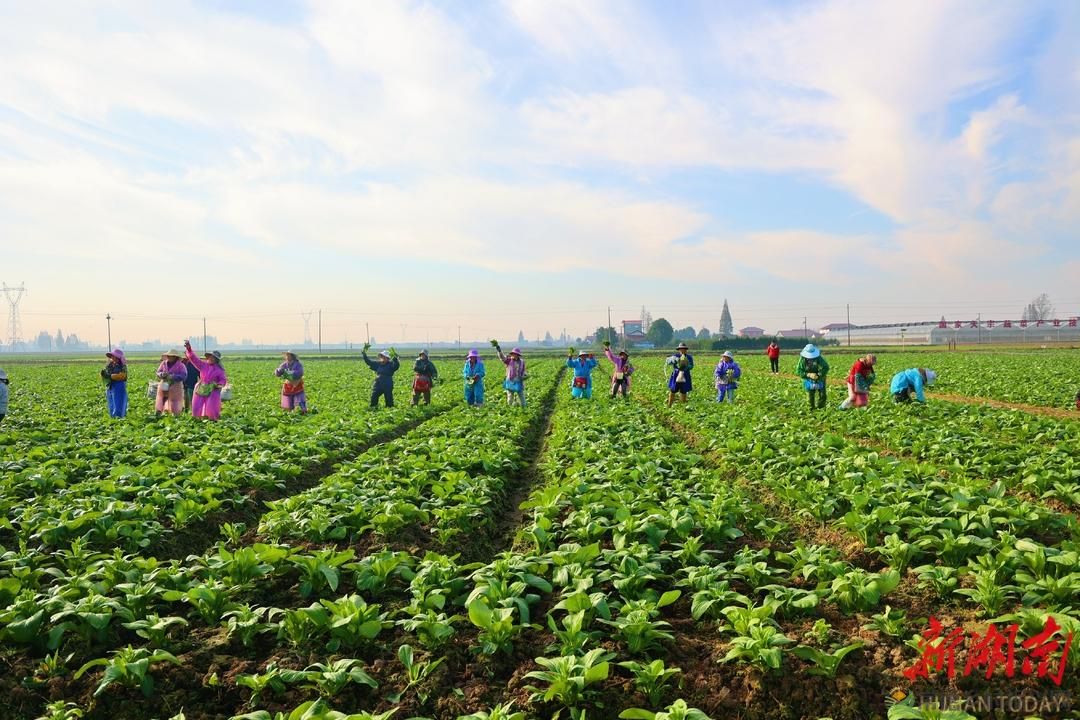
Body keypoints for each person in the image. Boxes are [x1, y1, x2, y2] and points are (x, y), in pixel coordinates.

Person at [185, 341, 228, 420]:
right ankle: (196, 418)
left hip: (213, 389)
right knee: (197, 404)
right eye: (210, 357)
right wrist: (189, 349)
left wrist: (219, 384)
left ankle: (212, 419)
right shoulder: (203, 365)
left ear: (217, 360)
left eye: (213, 358)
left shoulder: (219, 370)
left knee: (211, 406)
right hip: (202, 387)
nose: (211, 358)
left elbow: (223, 380)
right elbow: (194, 359)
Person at [362, 344, 400, 409]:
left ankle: (389, 408)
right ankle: (373, 407)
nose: (382, 358)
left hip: (387, 382)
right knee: (374, 395)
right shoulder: (378, 364)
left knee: (388, 397)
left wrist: (395, 358)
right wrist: (364, 354)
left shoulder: (391, 364)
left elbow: (396, 366)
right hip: (378, 382)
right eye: (381, 356)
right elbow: (369, 362)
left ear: (387, 358)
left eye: (384, 357)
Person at [154, 349, 188, 418]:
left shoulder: (181, 365)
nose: (169, 357)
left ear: (175, 357)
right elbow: (158, 372)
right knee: (162, 398)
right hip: (164, 385)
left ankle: (176, 415)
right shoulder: (164, 363)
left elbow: (184, 376)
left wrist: (173, 376)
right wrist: (162, 374)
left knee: (175, 401)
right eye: (168, 356)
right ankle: (159, 412)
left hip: (175, 387)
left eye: (171, 356)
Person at [493, 341, 527, 407]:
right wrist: (499, 351)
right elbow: (502, 357)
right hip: (510, 381)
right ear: (512, 354)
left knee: (521, 395)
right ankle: (509, 408)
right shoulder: (509, 360)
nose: (514, 355)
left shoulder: (522, 362)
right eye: (513, 354)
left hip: (519, 381)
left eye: (516, 354)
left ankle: (524, 407)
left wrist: (524, 375)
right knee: (510, 396)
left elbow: (523, 370)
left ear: (518, 355)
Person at [796, 344, 830, 410]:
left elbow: (826, 367)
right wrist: (808, 375)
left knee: (822, 395)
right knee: (810, 395)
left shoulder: (818, 357)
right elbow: (798, 371)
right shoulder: (802, 359)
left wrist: (819, 374)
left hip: (819, 377)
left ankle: (821, 408)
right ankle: (811, 409)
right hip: (808, 379)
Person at [101, 348, 129, 418]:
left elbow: (122, 376)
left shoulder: (122, 366)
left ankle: (119, 418)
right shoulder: (109, 365)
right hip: (110, 386)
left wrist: (111, 376)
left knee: (119, 403)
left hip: (119, 386)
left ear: (118, 357)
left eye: (114, 356)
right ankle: (113, 418)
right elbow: (104, 374)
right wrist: (103, 375)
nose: (112, 358)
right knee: (111, 403)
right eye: (112, 356)